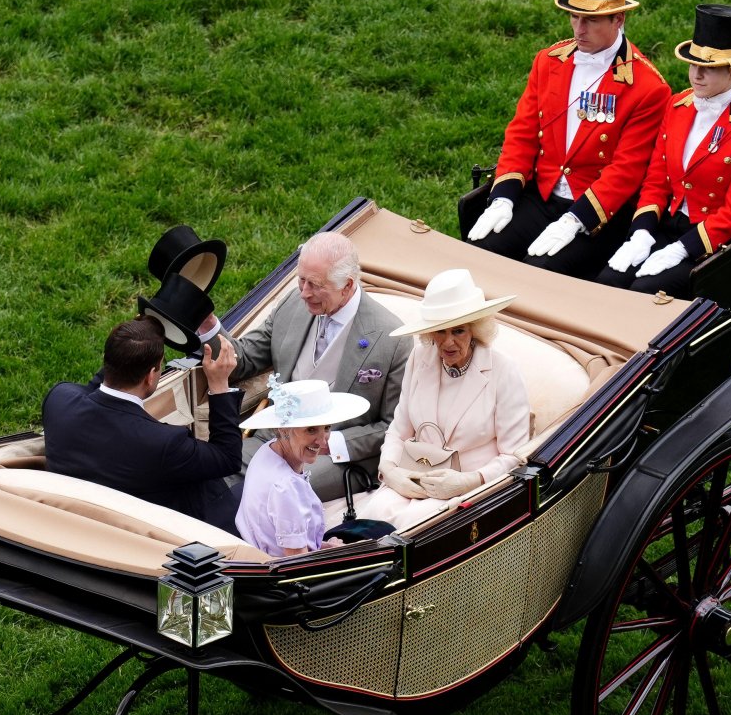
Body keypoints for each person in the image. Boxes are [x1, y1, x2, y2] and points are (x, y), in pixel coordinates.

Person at [467, 0, 670, 279]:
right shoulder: (548, 61)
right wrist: (503, 197)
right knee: (479, 252)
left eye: (590, 20)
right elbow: (522, 133)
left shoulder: (648, 88)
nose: (578, 28)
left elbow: (625, 172)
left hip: (596, 212)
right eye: (574, 17)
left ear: (618, 19)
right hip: (542, 192)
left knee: (540, 273)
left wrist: (575, 220)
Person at [596, 4, 731, 295]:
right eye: (694, 64)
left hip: (714, 239)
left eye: (709, 68)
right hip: (669, 222)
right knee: (609, 281)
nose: (697, 75)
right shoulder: (677, 105)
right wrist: (641, 233)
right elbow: (657, 179)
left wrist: (682, 249)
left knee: (644, 291)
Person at [226, 232, 413, 501]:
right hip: (276, 437)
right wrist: (208, 329)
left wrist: (329, 443)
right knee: (218, 473)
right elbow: (243, 358)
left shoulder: (392, 338)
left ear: (347, 286)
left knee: (278, 492)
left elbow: (394, 426)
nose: (303, 293)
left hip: (335, 456)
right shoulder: (293, 304)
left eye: (314, 284)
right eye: (301, 280)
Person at [358, 269, 531, 530]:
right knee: (372, 516)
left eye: (459, 331)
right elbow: (399, 430)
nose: (448, 342)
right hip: (415, 475)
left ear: (475, 329)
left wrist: (471, 481)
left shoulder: (503, 371)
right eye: (440, 331)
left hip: (469, 488)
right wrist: (390, 469)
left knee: (411, 528)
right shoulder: (419, 358)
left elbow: (514, 455)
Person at [42, 315, 244, 533]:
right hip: (166, 532)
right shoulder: (164, 443)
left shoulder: (58, 401)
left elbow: (91, 390)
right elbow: (227, 458)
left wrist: (129, 343)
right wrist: (219, 385)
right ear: (150, 376)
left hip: (74, 522)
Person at [235, 378, 371, 556]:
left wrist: (323, 546)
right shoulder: (286, 487)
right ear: (284, 430)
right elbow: (297, 564)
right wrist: (335, 555)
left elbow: (279, 536)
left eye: (327, 428)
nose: (323, 442)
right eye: (311, 430)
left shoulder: (267, 450)